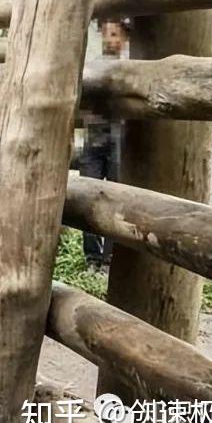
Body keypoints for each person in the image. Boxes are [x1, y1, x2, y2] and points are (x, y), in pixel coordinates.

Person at [80, 19, 127, 268]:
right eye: (107, 34)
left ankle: (111, 257)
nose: (110, 39)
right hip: (94, 137)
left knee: (116, 197)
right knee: (89, 195)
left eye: (115, 34)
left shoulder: (131, 66)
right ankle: (92, 257)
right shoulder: (94, 65)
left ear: (124, 38)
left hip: (119, 138)